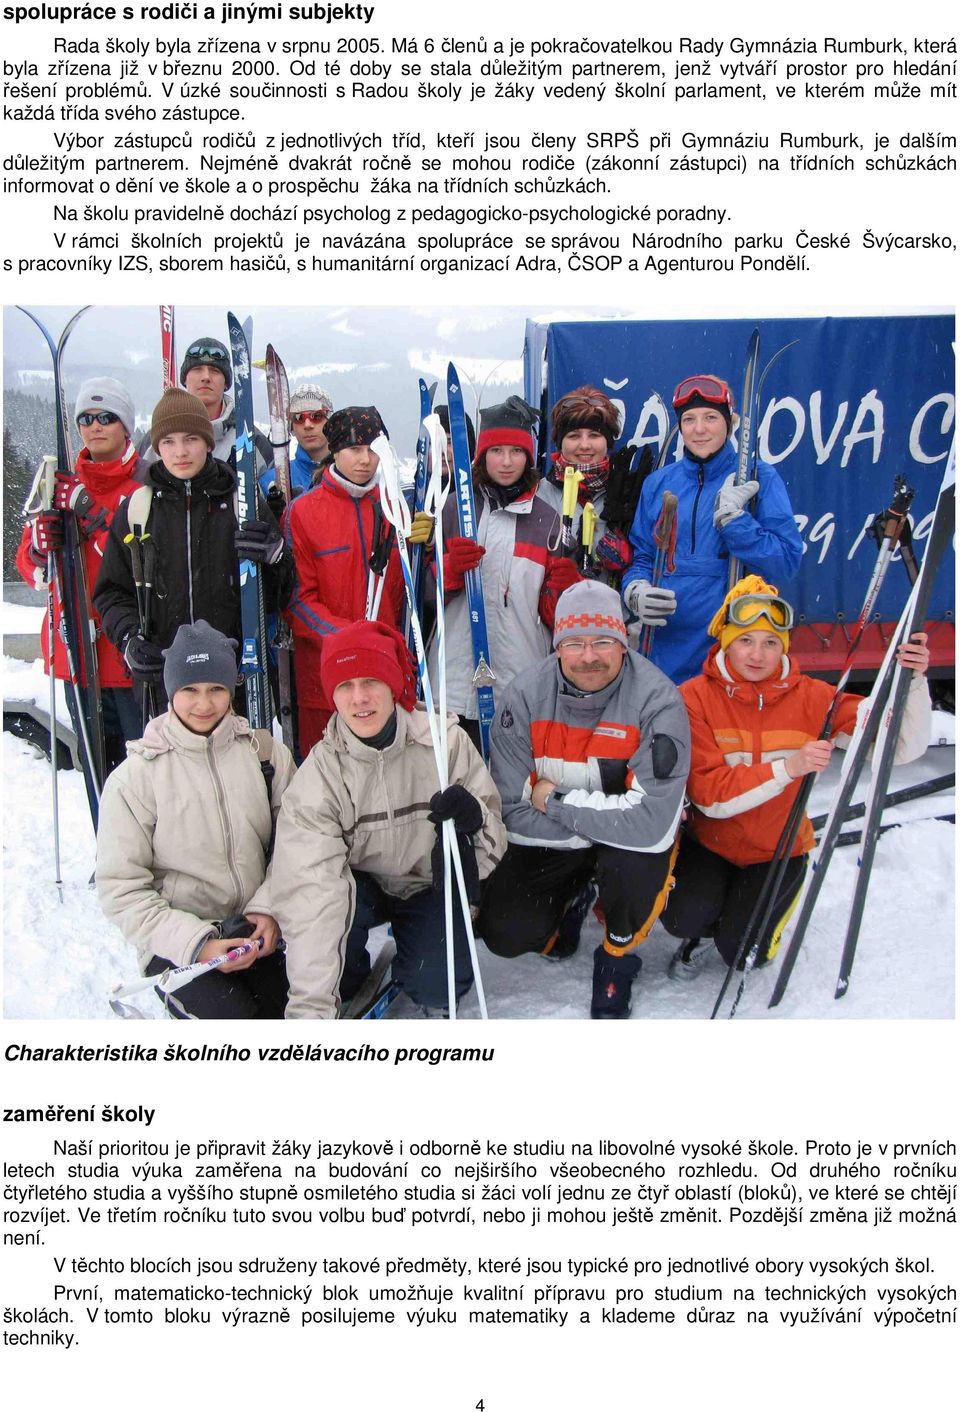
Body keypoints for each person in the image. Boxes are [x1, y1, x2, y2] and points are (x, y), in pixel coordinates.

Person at [662, 576, 932, 977]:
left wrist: (912, 683)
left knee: (745, 955)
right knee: (682, 916)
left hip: (778, 849)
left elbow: (900, 746)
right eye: (746, 640)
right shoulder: (693, 697)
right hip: (711, 844)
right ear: (726, 641)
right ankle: (704, 932)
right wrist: (788, 768)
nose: (758, 654)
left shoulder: (815, 698)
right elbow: (710, 795)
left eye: (771, 642)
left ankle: (754, 921)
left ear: (784, 646)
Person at [264, 620, 506, 1018]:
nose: (359, 698)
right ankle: (351, 967)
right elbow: (311, 891)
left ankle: (421, 954)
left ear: (393, 685)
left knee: (438, 986)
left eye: (371, 681)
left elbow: (492, 849)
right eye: (345, 686)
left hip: (427, 884)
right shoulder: (322, 776)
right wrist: (311, 1009)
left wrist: (474, 822)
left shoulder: (444, 743)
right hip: (359, 889)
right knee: (329, 967)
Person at [478, 580, 690, 1019]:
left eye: (603, 642)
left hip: (625, 848)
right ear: (556, 647)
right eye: (574, 642)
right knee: (503, 931)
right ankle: (569, 907)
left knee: (632, 864)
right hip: (577, 839)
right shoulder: (524, 696)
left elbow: (650, 823)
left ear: (624, 643)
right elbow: (510, 811)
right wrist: (602, 825)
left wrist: (554, 802)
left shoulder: (657, 700)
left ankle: (617, 955)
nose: (589, 656)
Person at [96, 620, 296, 1019]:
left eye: (216, 689)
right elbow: (121, 888)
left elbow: (297, 843)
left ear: (231, 689)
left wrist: (269, 908)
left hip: (257, 928)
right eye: (190, 690)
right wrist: (198, 942)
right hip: (180, 943)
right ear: (171, 692)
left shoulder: (266, 755)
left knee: (300, 1013)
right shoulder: (136, 777)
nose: (204, 704)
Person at [94, 388, 293, 713]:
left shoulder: (242, 504)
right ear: (157, 447)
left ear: (208, 443)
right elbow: (112, 593)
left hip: (234, 684)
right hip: (163, 686)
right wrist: (129, 640)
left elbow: (277, 597)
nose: (180, 451)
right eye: (168, 441)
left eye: (191, 439)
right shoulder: (138, 510)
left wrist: (276, 558)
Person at [622, 374, 803, 684]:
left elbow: (786, 562)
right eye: (689, 419)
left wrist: (738, 524)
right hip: (666, 643)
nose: (699, 428)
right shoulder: (659, 484)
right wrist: (635, 591)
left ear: (728, 423)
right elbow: (643, 557)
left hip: (732, 639)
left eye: (710, 418)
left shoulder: (758, 478)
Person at [428, 395, 581, 753]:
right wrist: (447, 572)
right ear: (482, 455)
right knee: (459, 785)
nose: (507, 461)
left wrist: (564, 594)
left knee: (511, 786)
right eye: (497, 451)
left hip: (520, 675)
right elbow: (418, 596)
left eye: (517, 451)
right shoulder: (454, 508)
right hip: (456, 676)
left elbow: (550, 616)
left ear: (529, 456)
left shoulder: (547, 520)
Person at [17, 377, 148, 772]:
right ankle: (104, 837)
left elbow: (143, 556)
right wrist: (41, 548)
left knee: (143, 775)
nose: (95, 426)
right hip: (76, 651)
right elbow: (28, 562)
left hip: (128, 654)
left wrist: (92, 512)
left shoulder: (144, 484)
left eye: (106, 416)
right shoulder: (58, 485)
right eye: (86, 419)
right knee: (98, 775)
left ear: (125, 426)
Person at [282, 405, 406, 757]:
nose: (365, 460)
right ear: (335, 451)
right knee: (327, 779)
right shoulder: (304, 513)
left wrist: (426, 552)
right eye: (355, 449)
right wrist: (348, 640)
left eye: (373, 450)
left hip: (382, 674)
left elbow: (403, 598)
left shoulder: (394, 509)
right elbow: (297, 601)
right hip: (325, 678)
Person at [537, 385, 636, 586]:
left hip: (615, 614)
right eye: (573, 436)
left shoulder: (628, 494)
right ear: (560, 442)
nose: (584, 445)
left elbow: (649, 562)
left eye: (594, 435)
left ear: (607, 441)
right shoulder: (538, 495)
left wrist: (630, 560)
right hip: (555, 614)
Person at [139, 335, 273, 471]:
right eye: (197, 370)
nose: (206, 377)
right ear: (185, 379)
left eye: (215, 371)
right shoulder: (157, 437)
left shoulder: (252, 440)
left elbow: (274, 483)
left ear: (226, 383)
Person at [258, 382, 333, 505]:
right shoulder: (271, 481)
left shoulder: (349, 474)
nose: (308, 425)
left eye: (317, 416)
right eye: (299, 418)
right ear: (291, 427)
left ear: (330, 423)